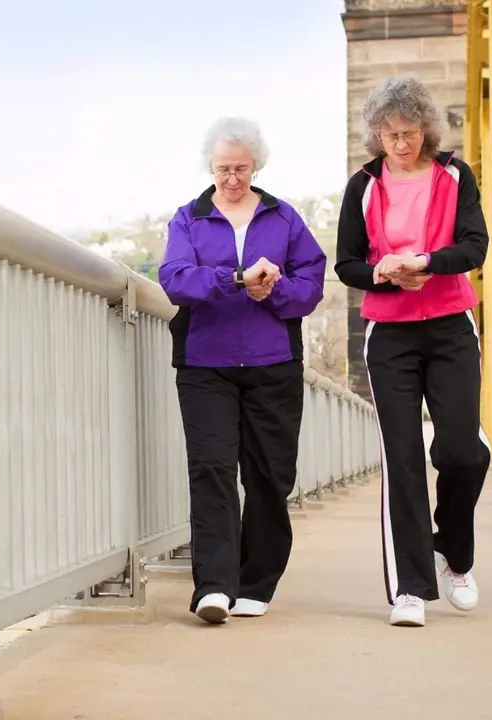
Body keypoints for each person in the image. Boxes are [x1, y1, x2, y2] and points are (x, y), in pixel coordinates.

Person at [334, 76, 491, 628]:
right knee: (401, 459)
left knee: (462, 452)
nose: (399, 143)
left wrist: (427, 263)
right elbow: (346, 263)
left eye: (408, 132)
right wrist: (380, 273)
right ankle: (410, 588)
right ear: (376, 133)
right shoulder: (363, 184)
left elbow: (475, 246)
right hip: (391, 335)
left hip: (451, 325)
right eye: (389, 133)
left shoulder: (453, 174)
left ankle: (456, 554)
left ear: (426, 127)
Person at [159, 117, 327, 625]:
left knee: (269, 476)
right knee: (211, 471)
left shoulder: (284, 218)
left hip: (272, 363)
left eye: (240, 169)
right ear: (209, 168)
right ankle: (213, 585)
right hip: (204, 365)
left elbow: (312, 283)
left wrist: (272, 289)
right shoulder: (189, 219)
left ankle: (257, 581)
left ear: (256, 165)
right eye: (222, 169)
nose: (231, 179)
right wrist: (235, 279)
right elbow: (175, 279)